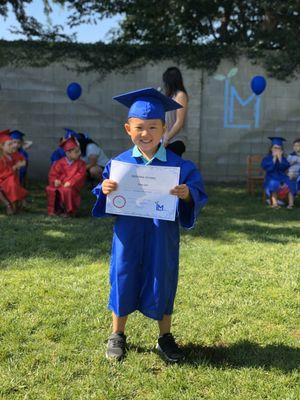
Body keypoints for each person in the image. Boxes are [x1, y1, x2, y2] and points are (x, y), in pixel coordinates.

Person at [92, 87, 207, 362]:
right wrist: (104, 188)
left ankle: (164, 338)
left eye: (153, 127)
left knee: (162, 278)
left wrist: (187, 193)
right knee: (123, 275)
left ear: (164, 128)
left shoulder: (179, 165)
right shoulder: (118, 163)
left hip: (161, 234)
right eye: (139, 127)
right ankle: (117, 334)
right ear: (128, 129)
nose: (146, 134)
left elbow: (197, 191)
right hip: (127, 234)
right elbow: (102, 192)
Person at [46, 136, 86, 217]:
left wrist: (71, 182)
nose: (79, 153)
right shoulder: (59, 163)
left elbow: (80, 175)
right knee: (51, 189)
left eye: (79, 151)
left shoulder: (81, 164)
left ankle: (69, 211)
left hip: (72, 186)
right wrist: (55, 181)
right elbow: (53, 174)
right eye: (76, 152)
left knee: (67, 190)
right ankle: (55, 210)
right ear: (68, 153)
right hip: (60, 184)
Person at [261, 137, 295, 209]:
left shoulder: (283, 159)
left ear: (281, 150)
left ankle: (291, 204)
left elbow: (285, 167)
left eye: (279, 148)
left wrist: (279, 159)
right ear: (271, 149)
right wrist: (274, 159)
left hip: (282, 176)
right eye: (275, 148)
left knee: (290, 182)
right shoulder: (267, 158)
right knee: (274, 183)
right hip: (271, 176)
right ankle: (275, 203)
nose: (276, 150)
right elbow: (266, 168)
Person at [162, 67, 189, 156]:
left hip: (176, 140)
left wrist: (167, 138)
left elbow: (179, 122)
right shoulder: (170, 96)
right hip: (166, 140)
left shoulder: (180, 95)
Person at [0, 129, 28, 215]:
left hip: (12, 180)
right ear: (2, 146)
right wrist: (15, 167)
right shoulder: (1, 158)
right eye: (10, 144)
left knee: (13, 183)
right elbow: (2, 174)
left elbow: (23, 160)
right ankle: (8, 204)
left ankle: (15, 204)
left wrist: (22, 163)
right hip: (2, 180)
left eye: (12, 143)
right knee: (10, 184)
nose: (13, 146)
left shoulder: (13, 153)